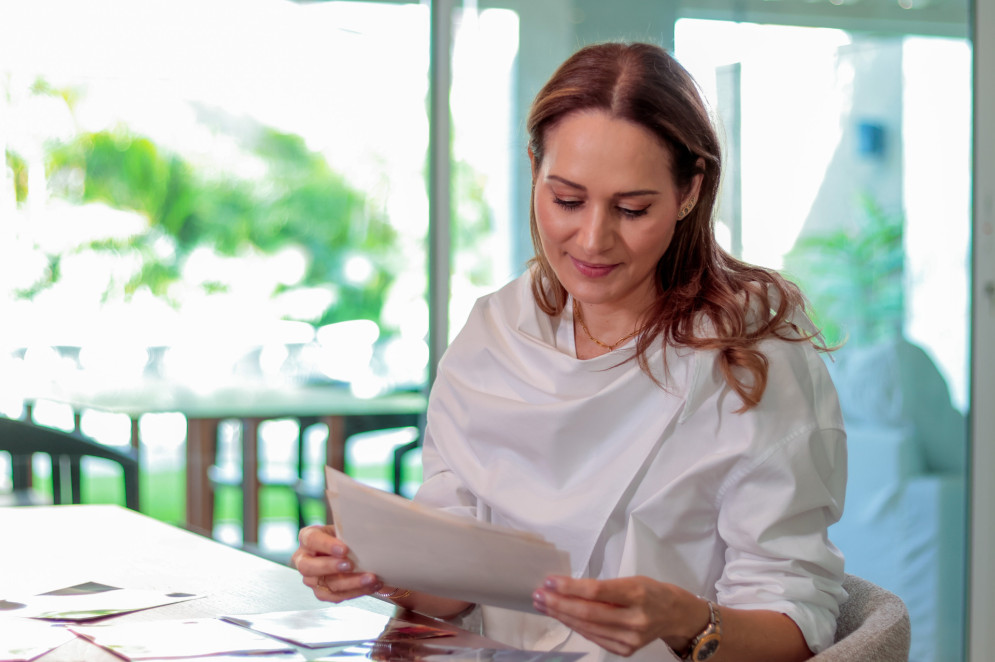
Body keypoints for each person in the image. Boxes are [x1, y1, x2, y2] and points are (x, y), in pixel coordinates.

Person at [293, 41, 847, 662]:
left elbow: (797, 625)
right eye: (566, 200)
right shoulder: (496, 332)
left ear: (690, 192)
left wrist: (685, 620)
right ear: (535, 170)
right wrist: (374, 568)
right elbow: (451, 591)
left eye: (632, 209)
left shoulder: (750, 356)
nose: (592, 239)